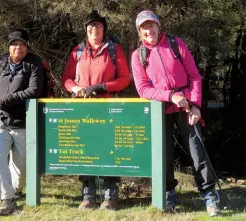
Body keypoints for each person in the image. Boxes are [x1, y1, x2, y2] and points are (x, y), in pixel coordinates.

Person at [131, 10, 221, 216]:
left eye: (151, 25)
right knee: (163, 153)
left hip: (187, 105)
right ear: (139, 31)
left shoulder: (175, 44)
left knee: (197, 150)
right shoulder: (138, 55)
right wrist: (169, 95)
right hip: (159, 108)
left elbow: (195, 77)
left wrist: (196, 105)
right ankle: (168, 193)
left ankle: (209, 195)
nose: (148, 30)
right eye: (143, 27)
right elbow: (143, 89)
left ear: (158, 26)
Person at [61, 10, 130, 210]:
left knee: (109, 149)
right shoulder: (78, 51)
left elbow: (125, 79)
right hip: (83, 108)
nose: (94, 29)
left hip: (108, 107)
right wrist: (75, 88)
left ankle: (110, 195)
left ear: (104, 29)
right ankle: (88, 194)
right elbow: (66, 78)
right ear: (86, 30)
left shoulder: (114, 50)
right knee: (85, 148)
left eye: (98, 25)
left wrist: (102, 87)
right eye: (90, 26)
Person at [0, 28, 44, 216]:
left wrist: (5, 98)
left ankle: (16, 190)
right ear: (9, 47)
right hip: (1, 121)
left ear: (27, 47)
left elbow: (34, 91)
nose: (18, 48)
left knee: (21, 164)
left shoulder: (33, 63)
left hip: (23, 121)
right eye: (14, 44)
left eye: (22, 44)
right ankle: (6, 199)